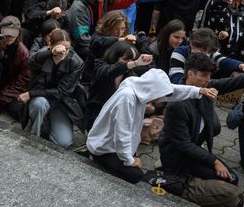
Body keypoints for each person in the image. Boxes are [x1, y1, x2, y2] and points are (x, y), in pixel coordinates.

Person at [87, 68, 216, 184]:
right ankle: (100, 163)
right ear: (152, 90)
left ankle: (122, 159)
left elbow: (172, 90)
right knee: (136, 175)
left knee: (133, 161)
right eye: (158, 96)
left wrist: (198, 90)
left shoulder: (139, 85)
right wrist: (130, 161)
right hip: (103, 148)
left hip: (116, 144)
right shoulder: (127, 98)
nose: (159, 100)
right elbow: (122, 134)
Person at [160, 53, 244, 206]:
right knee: (228, 181)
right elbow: (184, 146)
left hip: (194, 151)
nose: (208, 80)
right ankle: (185, 187)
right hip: (179, 159)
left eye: (210, 75)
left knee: (232, 178)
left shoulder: (204, 85)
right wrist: (214, 161)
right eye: (204, 75)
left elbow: (230, 83)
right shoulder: (177, 105)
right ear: (190, 74)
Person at [21, 29, 84, 149]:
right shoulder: (45, 53)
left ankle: (49, 122)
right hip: (40, 99)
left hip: (61, 103)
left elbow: (62, 92)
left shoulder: (76, 62)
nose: (63, 52)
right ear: (50, 44)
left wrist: (30, 93)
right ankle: (34, 133)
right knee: (40, 104)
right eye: (60, 48)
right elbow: (31, 63)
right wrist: (50, 53)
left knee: (63, 142)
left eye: (67, 48)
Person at [66, 0, 140, 59]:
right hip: (82, 48)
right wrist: (106, 44)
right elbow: (82, 39)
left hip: (98, 40)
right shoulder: (78, 9)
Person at [85, 41, 153, 130]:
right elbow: (110, 72)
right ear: (115, 56)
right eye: (125, 59)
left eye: (132, 60)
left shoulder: (130, 74)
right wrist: (135, 63)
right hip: (97, 114)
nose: (129, 63)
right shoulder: (100, 64)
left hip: (118, 116)